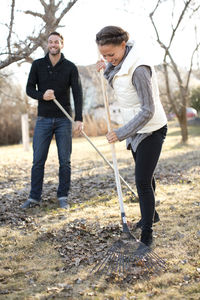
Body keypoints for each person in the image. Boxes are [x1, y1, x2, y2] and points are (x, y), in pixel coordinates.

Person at [96, 26, 167, 246]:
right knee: (147, 177)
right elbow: (121, 85)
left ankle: (147, 234)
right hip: (135, 129)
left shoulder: (139, 69)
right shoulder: (120, 63)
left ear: (123, 46)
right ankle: (151, 215)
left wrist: (120, 133)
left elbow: (148, 110)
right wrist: (106, 67)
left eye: (111, 54)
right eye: (104, 55)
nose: (109, 58)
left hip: (151, 128)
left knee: (142, 182)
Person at [21, 32, 83, 209]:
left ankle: (63, 196)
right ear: (47, 45)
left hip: (64, 119)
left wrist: (78, 119)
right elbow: (29, 89)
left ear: (62, 44)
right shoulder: (38, 65)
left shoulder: (70, 67)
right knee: (38, 160)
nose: (53, 44)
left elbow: (78, 94)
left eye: (56, 42)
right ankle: (34, 198)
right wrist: (42, 95)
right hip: (43, 120)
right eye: (50, 42)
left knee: (65, 161)